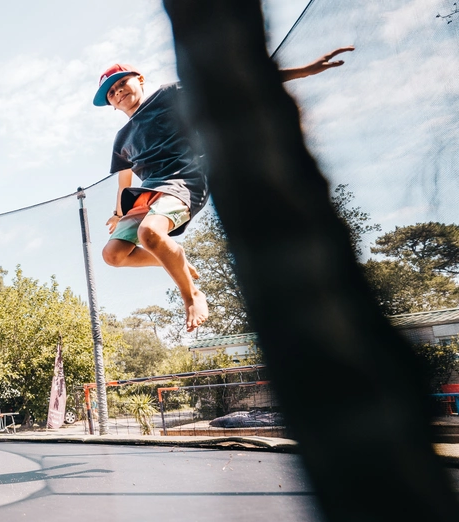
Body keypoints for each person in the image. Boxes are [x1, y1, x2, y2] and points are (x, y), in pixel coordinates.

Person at [96, 47, 354, 332]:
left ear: (140, 79)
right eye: (111, 93)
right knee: (114, 255)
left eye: (122, 83)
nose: (118, 92)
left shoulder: (168, 95)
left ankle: (192, 295)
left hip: (183, 180)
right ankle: (169, 258)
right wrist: (118, 214)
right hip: (148, 193)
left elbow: (228, 85)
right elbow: (124, 182)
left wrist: (303, 71)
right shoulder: (122, 138)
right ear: (111, 105)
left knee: (150, 233)